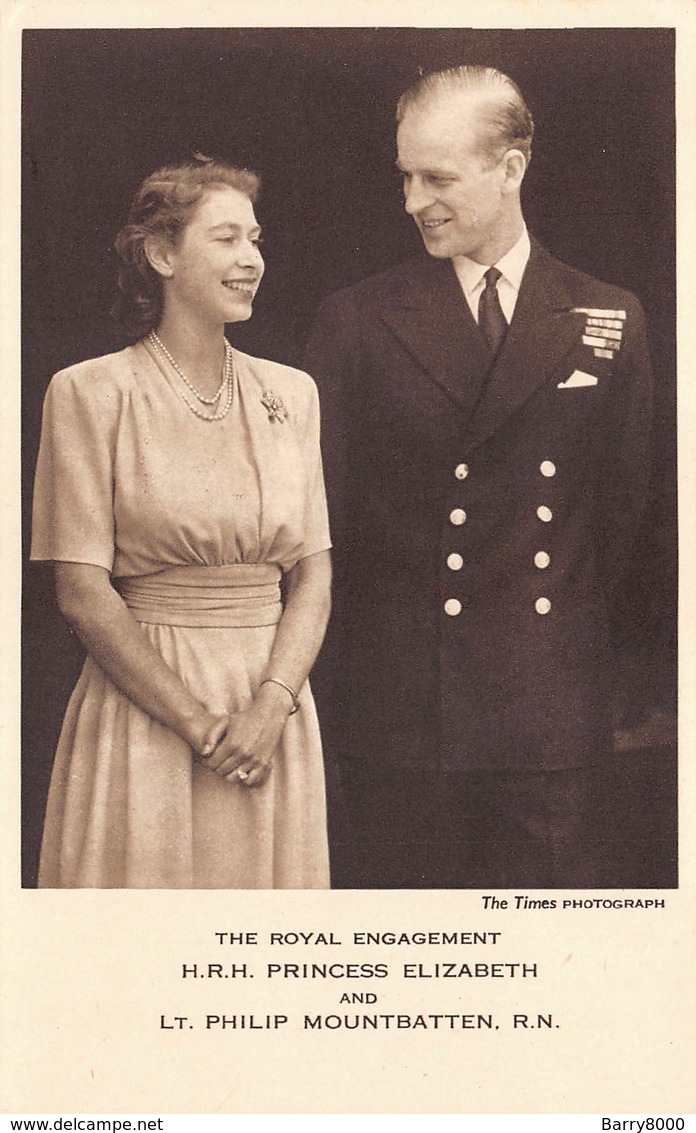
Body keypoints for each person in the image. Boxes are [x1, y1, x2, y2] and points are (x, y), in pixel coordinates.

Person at [304, 65, 654, 889]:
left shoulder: (608, 315)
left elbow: (627, 523)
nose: (412, 200)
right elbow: (326, 524)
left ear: (513, 167)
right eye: (405, 175)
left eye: (438, 177)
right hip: (400, 722)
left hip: (545, 722)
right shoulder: (356, 319)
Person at [31, 158, 332, 888]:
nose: (251, 259)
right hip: (147, 706)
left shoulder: (292, 393)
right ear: (162, 255)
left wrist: (270, 705)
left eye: (255, 240)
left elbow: (315, 571)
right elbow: (81, 590)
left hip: (272, 708)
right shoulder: (89, 392)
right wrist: (199, 724)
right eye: (227, 239)